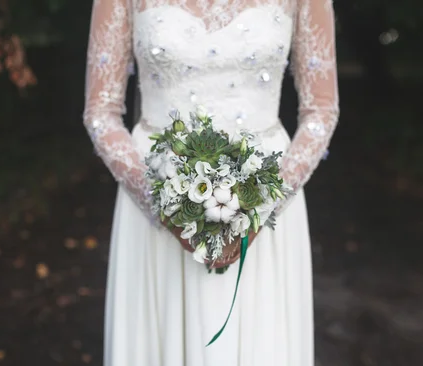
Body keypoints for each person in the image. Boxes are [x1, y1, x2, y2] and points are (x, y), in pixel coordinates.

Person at [82, 0, 339, 364]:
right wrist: (161, 203)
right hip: (154, 200)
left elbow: (320, 111)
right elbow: (101, 112)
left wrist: (262, 205)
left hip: (266, 201)